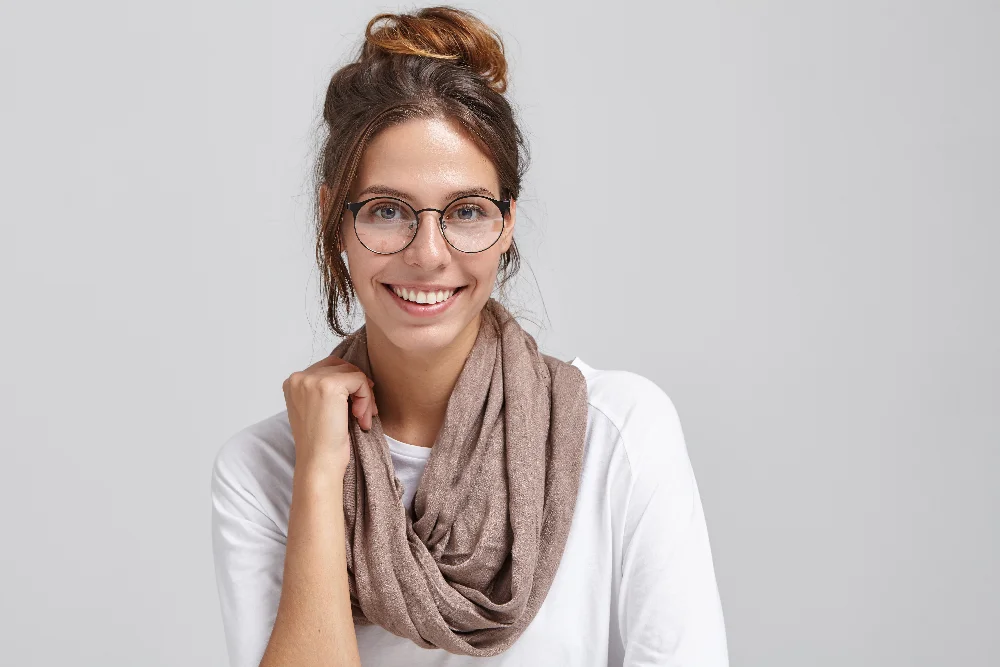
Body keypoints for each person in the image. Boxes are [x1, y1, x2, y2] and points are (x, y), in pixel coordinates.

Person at [210, 6, 729, 666]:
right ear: (333, 219)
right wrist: (319, 474)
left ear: (507, 222)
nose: (428, 254)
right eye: (388, 210)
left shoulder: (617, 435)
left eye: (466, 211)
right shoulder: (264, 471)